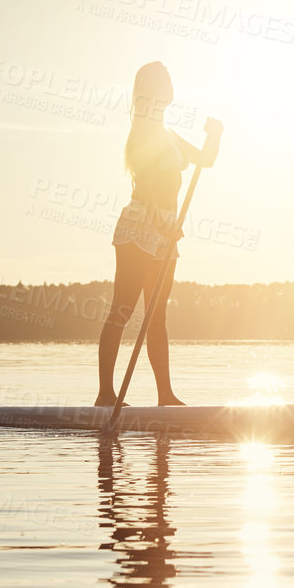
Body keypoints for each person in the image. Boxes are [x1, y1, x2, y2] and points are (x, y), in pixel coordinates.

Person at [96, 62, 221, 407]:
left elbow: (204, 161)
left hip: (165, 232)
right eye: (163, 81)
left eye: (170, 80)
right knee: (122, 310)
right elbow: (149, 184)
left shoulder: (167, 132)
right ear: (150, 90)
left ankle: (165, 395)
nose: (169, 85)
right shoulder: (143, 133)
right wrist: (163, 224)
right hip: (140, 227)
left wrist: (215, 134)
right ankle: (105, 394)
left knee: (156, 316)